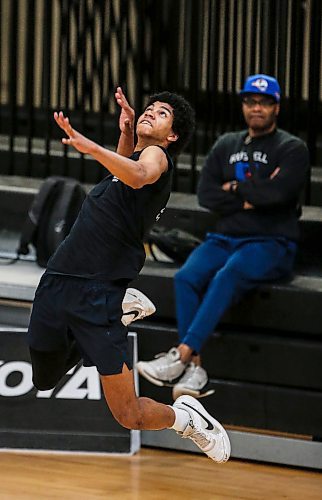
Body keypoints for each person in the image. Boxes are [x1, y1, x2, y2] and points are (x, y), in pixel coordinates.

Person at [27, 86, 231, 463]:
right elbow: (123, 179)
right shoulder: (130, 162)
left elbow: (138, 173)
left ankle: (185, 417)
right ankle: (121, 312)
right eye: (149, 108)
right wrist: (124, 135)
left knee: (129, 414)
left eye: (162, 113)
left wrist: (93, 147)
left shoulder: (157, 158)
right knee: (43, 377)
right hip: (59, 280)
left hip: (97, 290)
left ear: (172, 136)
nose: (150, 112)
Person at [137, 74, 310, 401]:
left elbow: (280, 193)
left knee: (226, 275)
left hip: (271, 241)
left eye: (264, 102)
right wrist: (253, 194)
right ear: (243, 105)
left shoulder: (292, 148)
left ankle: (182, 355)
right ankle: (196, 368)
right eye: (250, 102)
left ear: (276, 107)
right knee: (186, 276)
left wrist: (235, 188)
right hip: (225, 237)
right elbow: (206, 195)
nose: (256, 108)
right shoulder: (226, 144)